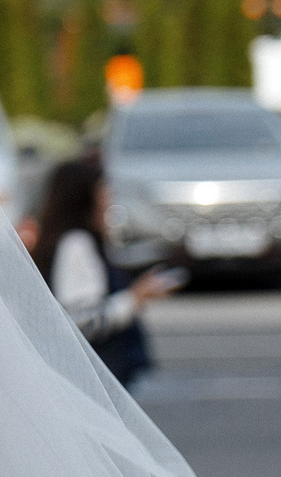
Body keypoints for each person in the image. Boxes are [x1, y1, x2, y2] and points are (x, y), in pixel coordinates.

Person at [29, 155, 176, 387]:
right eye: (102, 192)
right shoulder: (76, 245)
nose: (108, 201)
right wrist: (135, 298)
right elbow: (83, 320)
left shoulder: (70, 241)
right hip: (93, 378)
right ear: (85, 199)